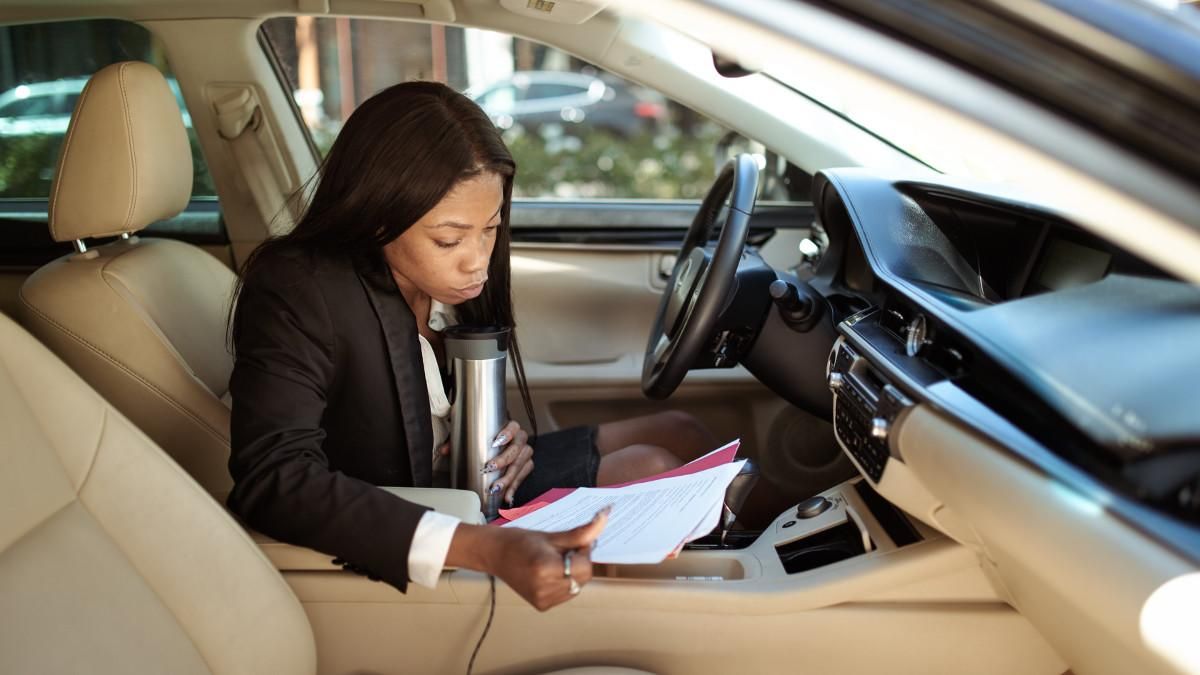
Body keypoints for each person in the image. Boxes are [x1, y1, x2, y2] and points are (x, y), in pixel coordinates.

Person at [227, 80, 718, 611]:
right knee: (650, 464)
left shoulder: (444, 287)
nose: (478, 261)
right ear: (376, 215)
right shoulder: (299, 288)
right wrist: (487, 547)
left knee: (680, 430)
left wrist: (510, 441)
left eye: (491, 229)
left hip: (476, 482)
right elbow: (274, 479)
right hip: (421, 515)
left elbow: (440, 408)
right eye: (449, 239)